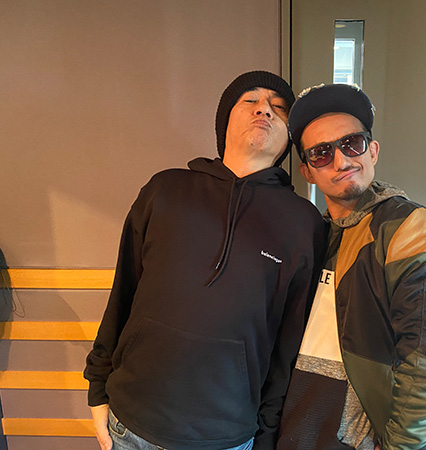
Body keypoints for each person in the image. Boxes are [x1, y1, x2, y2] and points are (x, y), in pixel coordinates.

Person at [84, 71, 326, 450]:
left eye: (278, 108)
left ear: (288, 140)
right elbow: (124, 291)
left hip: (227, 437)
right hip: (129, 422)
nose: (264, 109)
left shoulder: (303, 223)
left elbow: (289, 346)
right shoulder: (165, 189)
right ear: (224, 120)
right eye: (250, 100)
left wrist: (267, 437)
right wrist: (97, 387)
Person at [276, 83, 426, 450]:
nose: (341, 161)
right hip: (299, 431)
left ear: (373, 150)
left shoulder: (405, 226)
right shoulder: (314, 235)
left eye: (352, 143)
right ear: (307, 171)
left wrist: (404, 445)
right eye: (321, 153)